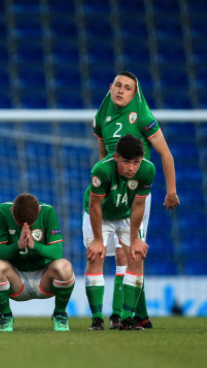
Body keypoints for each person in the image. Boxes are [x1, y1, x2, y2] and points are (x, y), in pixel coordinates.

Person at [92, 71, 178, 329]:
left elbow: (166, 154)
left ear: (134, 93)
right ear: (111, 87)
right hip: (112, 192)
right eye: (117, 85)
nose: (121, 90)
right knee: (124, 254)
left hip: (136, 193)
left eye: (127, 88)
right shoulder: (102, 116)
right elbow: (103, 155)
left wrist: (171, 191)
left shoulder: (142, 116)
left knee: (128, 252)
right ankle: (138, 316)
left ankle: (120, 316)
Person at [83, 134, 155, 331]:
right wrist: (98, 239)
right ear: (116, 157)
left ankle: (126, 318)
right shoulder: (101, 170)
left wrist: (135, 239)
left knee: (136, 254)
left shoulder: (148, 170)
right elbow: (95, 205)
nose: (131, 167)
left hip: (125, 213)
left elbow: (139, 204)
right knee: (96, 255)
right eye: (126, 162)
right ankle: (97, 318)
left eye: (136, 162)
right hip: (100, 213)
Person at [0, 193, 75, 332]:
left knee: (65, 267)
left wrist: (34, 246)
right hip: (16, 279)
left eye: (30, 225)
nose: (25, 227)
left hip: (43, 279)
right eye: (19, 224)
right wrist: (18, 246)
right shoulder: (3, 211)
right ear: (11, 212)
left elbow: (57, 252)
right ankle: (5, 316)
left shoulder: (48, 212)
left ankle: (60, 314)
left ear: (39, 211)